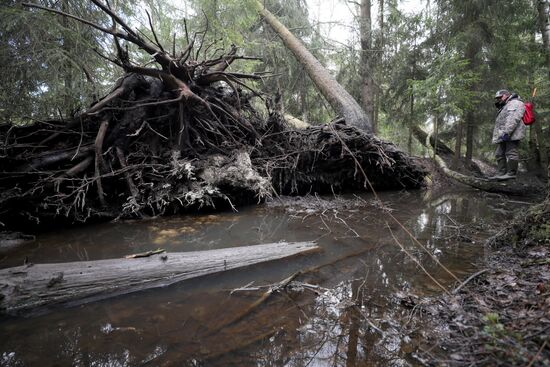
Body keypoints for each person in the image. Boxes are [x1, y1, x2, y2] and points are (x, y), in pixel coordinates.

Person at [491, 89, 525, 180]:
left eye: (500, 97)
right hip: (504, 134)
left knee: (511, 153)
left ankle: (511, 173)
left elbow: (512, 119)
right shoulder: (506, 104)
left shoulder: (515, 103)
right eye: (497, 98)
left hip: (512, 134)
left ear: (506, 95)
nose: (498, 99)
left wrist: (507, 132)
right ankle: (501, 173)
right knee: (499, 153)